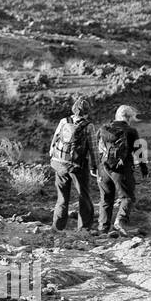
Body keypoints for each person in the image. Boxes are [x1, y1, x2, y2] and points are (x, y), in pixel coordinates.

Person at [96, 104, 148, 236]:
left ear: (116, 115)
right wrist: (144, 169)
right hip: (122, 169)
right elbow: (139, 151)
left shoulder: (103, 129)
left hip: (104, 168)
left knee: (106, 199)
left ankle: (103, 229)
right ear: (129, 118)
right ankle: (120, 221)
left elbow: (96, 149)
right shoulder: (131, 131)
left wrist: (94, 167)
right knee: (128, 197)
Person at [49, 95, 98, 232]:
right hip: (77, 166)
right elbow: (93, 149)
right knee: (84, 197)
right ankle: (84, 229)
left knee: (62, 198)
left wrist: (53, 158)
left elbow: (54, 140)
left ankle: (57, 227)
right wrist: (95, 167)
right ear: (87, 112)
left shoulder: (64, 121)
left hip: (59, 163)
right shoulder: (89, 126)